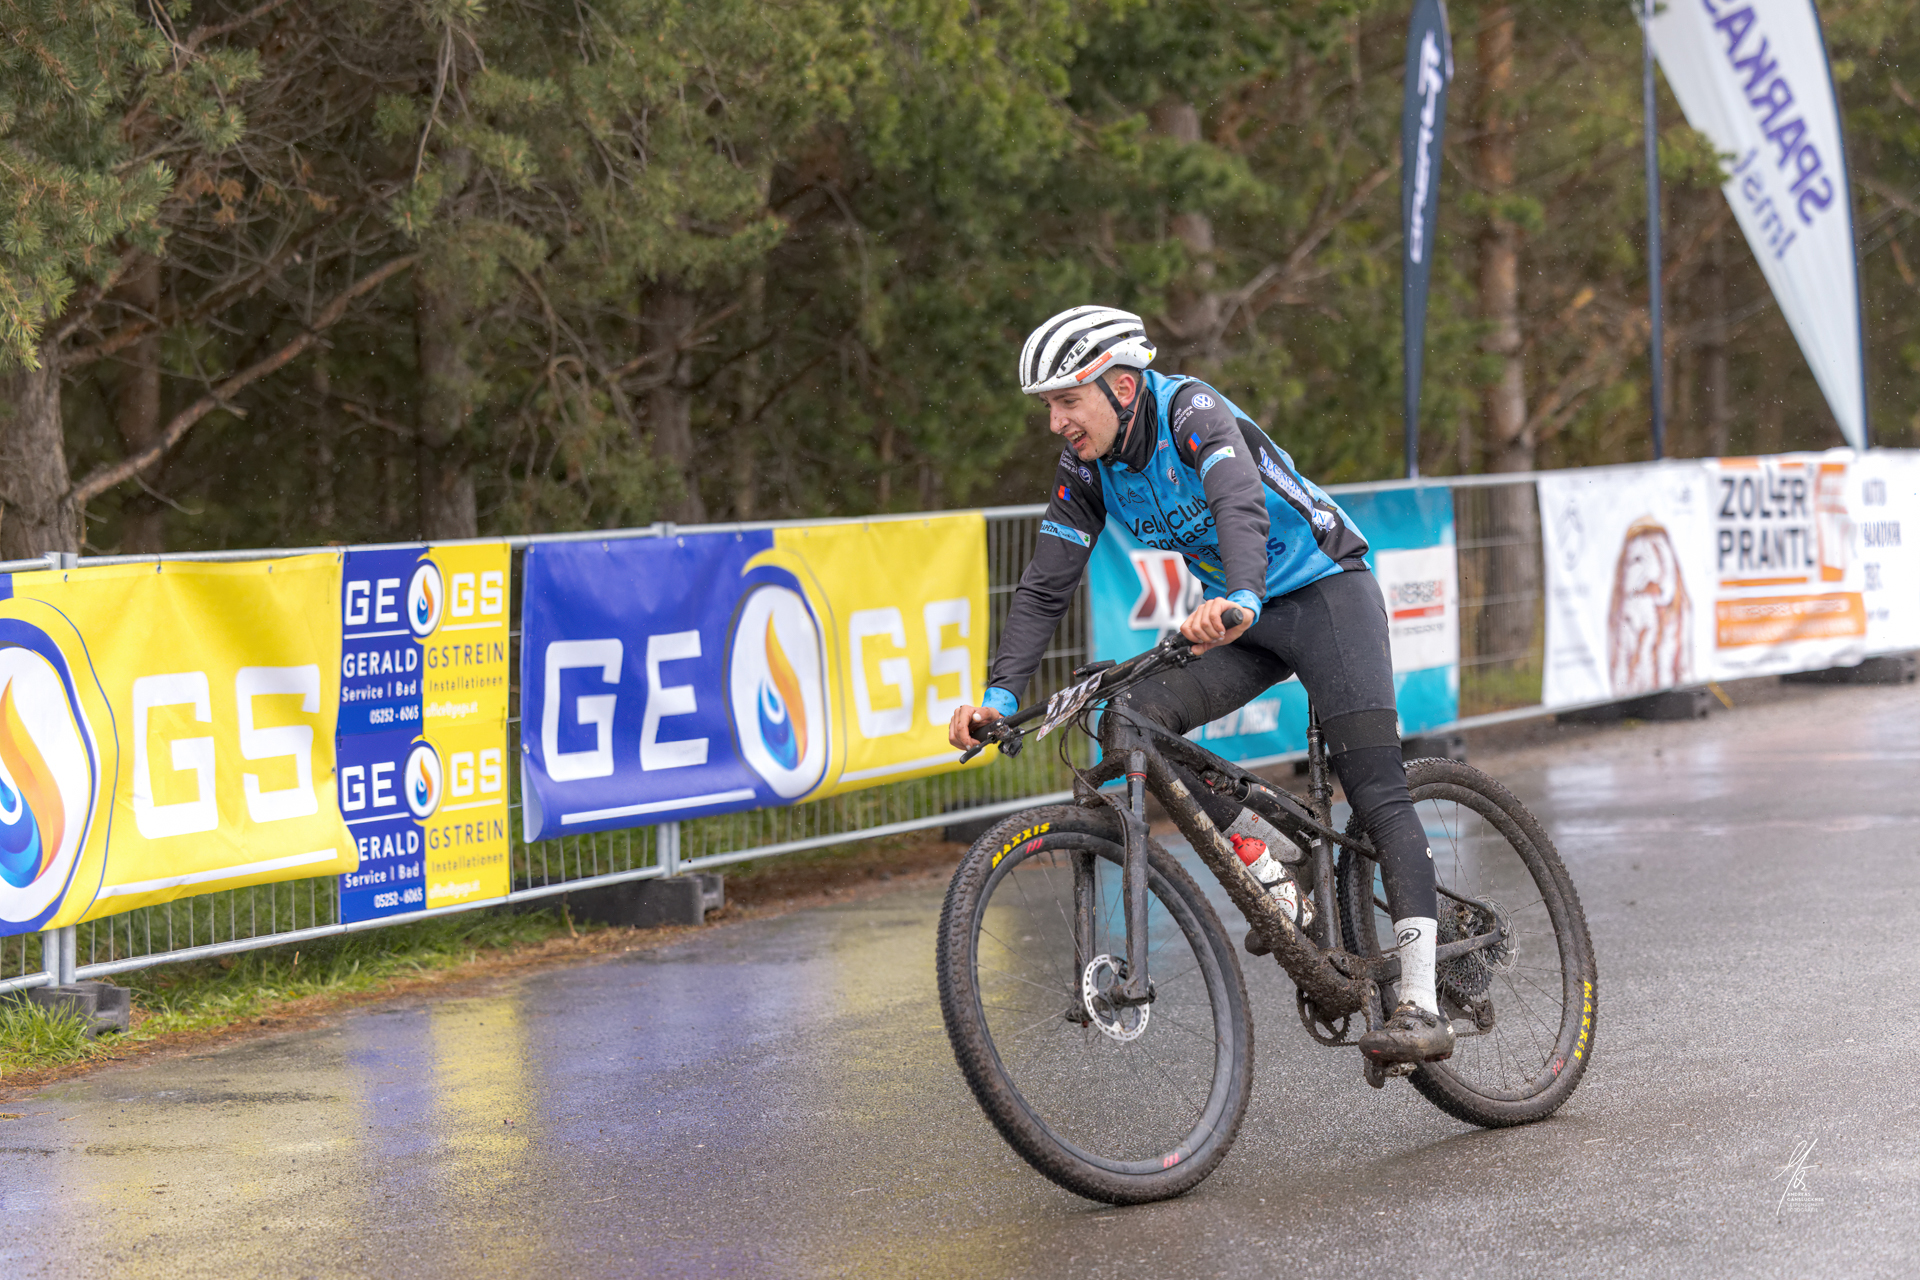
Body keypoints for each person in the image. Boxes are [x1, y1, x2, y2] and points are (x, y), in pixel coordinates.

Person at [946, 304, 1452, 1066]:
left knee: (1375, 788)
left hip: (1324, 593)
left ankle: (1420, 1001)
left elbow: (1237, 501)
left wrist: (1242, 592)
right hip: (1244, 618)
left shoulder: (1192, 412)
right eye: (1048, 406)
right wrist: (1000, 698)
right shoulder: (1086, 467)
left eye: (1066, 401)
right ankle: (1269, 867)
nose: (1055, 422)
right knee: (1131, 716)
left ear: (1121, 386)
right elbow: (1046, 586)